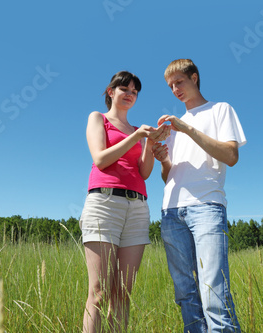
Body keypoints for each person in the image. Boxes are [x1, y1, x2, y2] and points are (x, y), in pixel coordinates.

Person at [152, 59, 246, 333]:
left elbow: (231, 156)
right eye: (170, 86)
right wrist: (163, 161)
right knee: (185, 293)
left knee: (213, 290)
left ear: (194, 78)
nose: (175, 90)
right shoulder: (172, 127)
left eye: (179, 82)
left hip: (206, 206)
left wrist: (189, 129)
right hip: (171, 212)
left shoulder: (220, 110)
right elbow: (168, 176)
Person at [80, 70, 170, 333]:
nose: (130, 94)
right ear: (111, 92)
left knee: (123, 293)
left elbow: (143, 172)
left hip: (138, 207)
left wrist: (151, 145)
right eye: (124, 89)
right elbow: (100, 159)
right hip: (105, 204)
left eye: (134, 91)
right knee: (98, 291)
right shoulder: (98, 118)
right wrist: (137, 136)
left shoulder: (137, 131)